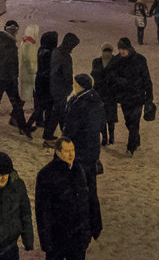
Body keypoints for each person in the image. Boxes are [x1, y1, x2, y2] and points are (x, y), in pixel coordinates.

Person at [59, 75, 104, 243]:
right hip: (92, 152)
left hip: (79, 152)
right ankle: (96, 224)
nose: (73, 85)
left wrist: (64, 144)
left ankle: (83, 224)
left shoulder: (78, 104)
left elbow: (70, 129)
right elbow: (100, 124)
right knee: (91, 189)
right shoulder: (96, 100)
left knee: (79, 190)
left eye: (75, 84)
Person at [34, 137, 91, 260]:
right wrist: (46, 241)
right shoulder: (46, 174)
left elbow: (85, 204)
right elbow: (42, 211)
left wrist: (86, 233)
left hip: (77, 237)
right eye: (67, 151)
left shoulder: (79, 169)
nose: (71, 154)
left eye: (73, 150)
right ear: (58, 152)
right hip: (57, 238)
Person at [106, 37, 152, 155]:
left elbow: (147, 79)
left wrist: (149, 98)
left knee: (134, 122)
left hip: (138, 96)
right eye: (120, 49)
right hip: (125, 97)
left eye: (123, 49)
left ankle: (130, 148)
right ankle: (136, 139)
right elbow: (109, 73)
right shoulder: (117, 60)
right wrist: (119, 80)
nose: (121, 52)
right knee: (128, 122)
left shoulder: (140, 60)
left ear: (129, 48)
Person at [0, 20, 30, 138]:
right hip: (8, 77)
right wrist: (14, 76)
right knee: (16, 103)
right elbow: (11, 61)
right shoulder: (9, 43)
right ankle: (23, 128)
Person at [45, 32, 80, 143]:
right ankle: (59, 133)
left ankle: (53, 132)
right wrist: (70, 86)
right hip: (61, 87)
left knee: (58, 111)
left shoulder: (56, 51)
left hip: (53, 85)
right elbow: (67, 74)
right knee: (59, 111)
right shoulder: (66, 56)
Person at [27, 31, 57, 133]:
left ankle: (37, 122)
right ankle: (30, 125)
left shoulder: (40, 49)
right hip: (46, 82)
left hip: (38, 80)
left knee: (39, 104)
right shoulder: (50, 53)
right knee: (47, 105)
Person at [17, 24, 38, 107]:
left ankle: (15, 116)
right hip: (30, 75)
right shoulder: (28, 44)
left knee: (29, 96)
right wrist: (33, 71)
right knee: (31, 95)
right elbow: (28, 60)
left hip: (26, 74)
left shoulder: (25, 42)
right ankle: (15, 116)